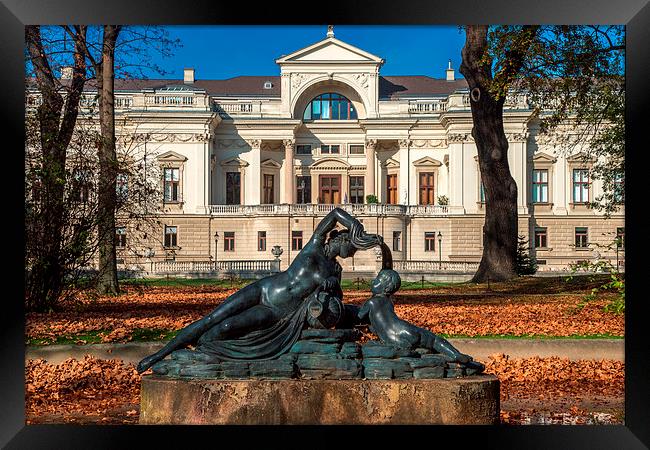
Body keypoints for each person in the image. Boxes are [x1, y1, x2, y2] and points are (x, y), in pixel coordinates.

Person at [137, 208, 381, 373]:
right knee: (214, 317)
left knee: (225, 327)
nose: (353, 252)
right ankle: (159, 355)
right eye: (353, 246)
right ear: (340, 240)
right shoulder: (314, 247)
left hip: (278, 314)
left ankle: (203, 348)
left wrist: (331, 289)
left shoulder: (335, 272)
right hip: (264, 290)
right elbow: (335, 213)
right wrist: (357, 227)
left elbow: (332, 307)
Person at [358, 269, 478, 365]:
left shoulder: (371, 302)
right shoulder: (389, 302)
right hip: (405, 328)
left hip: (393, 337)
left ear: (386, 288)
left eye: (378, 279)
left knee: (409, 350)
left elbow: (359, 317)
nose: (374, 281)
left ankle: (434, 356)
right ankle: (455, 354)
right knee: (434, 339)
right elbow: (383, 320)